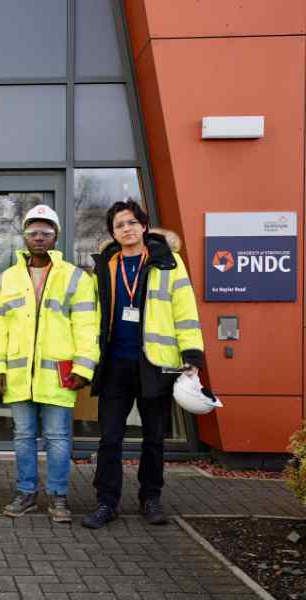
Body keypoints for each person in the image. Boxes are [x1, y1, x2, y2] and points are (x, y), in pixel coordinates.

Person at [83, 200, 204, 529]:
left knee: (153, 438)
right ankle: (107, 502)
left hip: (155, 364)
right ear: (112, 233)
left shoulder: (168, 262)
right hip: (115, 365)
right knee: (109, 438)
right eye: (120, 225)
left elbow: (185, 310)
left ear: (144, 225)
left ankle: (151, 498)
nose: (127, 229)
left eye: (132, 222)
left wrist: (192, 355)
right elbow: (93, 314)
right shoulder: (106, 265)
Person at [0, 205, 99, 521]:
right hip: (20, 375)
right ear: (24, 237)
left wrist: (83, 368)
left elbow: (88, 327)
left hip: (59, 376)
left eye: (45, 233)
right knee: (22, 437)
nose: (39, 238)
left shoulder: (76, 278)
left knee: (58, 439)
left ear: (56, 237)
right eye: (33, 232)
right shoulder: (8, 278)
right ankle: (25, 493)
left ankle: (58, 497)